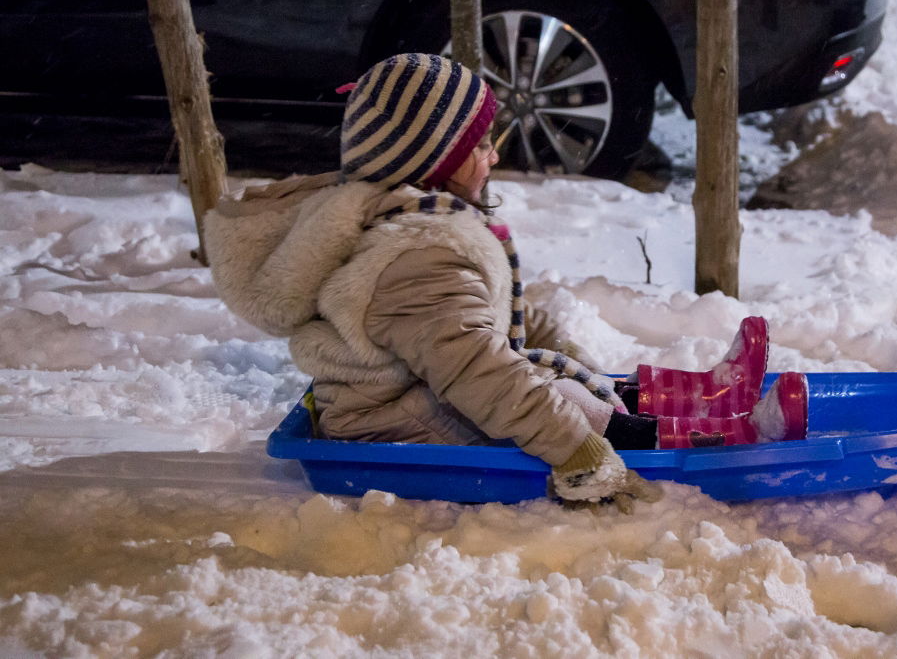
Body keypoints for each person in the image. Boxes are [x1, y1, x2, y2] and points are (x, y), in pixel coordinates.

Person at [205, 53, 805, 505]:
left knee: (563, 384)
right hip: (394, 424)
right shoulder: (415, 259)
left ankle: (701, 397)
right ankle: (728, 437)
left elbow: (486, 323)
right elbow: (476, 370)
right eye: (483, 144)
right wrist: (577, 451)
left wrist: (561, 353)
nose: (494, 156)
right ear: (433, 160)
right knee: (564, 409)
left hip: (415, 393)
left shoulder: (413, 227)